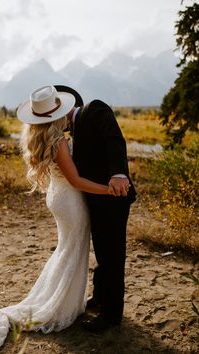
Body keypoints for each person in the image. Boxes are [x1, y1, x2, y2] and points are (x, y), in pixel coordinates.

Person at [0, 85, 116, 354]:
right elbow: (76, 180)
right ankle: (60, 305)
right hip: (70, 200)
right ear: (56, 114)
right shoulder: (58, 142)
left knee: (66, 248)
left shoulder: (42, 136)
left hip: (58, 198)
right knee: (72, 249)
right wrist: (108, 189)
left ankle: (69, 301)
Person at [55, 85, 137, 332]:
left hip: (113, 196)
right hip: (97, 201)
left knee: (112, 256)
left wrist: (119, 174)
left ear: (65, 107)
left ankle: (111, 316)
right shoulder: (75, 129)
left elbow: (114, 139)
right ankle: (100, 297)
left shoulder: (94, 108)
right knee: (103, 252)